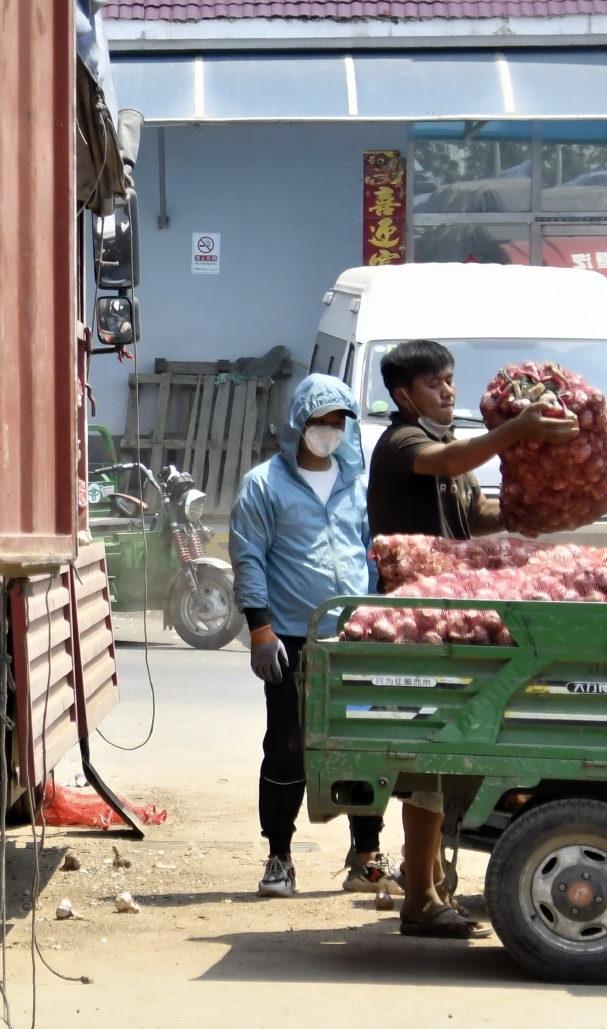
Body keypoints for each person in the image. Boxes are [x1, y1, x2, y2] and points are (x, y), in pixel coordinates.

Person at [365, 338, 578, 937]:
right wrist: (516, 430)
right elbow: (454, 462)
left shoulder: (443, 448)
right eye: (435, 384)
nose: (448, 392)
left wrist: (527, 513)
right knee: (430, 756)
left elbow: (475, 515)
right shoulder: (404, 444)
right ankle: (421, 898)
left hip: (451, 621)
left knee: (447, 751)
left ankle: (429, 888)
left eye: (451, 381)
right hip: (414, 626)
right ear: (405, 395)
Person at [230, 374, 392, 899]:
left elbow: (373, 550)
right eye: (319, 422)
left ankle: (366, 854)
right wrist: (260, 627)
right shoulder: (264, 485)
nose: (328, 431)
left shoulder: (358, 485)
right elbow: (249, 557)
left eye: (337, 422)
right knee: (287, 746)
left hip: (355, 637)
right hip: (292, 638)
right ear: (299, 423)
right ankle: (279, 856)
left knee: (364, 743)